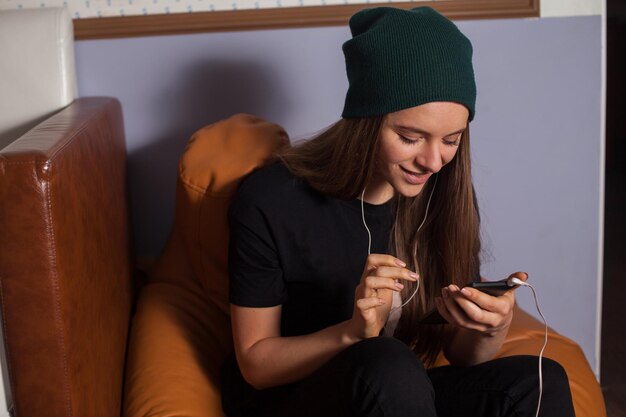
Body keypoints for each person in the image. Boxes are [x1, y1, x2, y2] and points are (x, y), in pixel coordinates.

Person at [220, 6, 575, 417]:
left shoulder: (442, 193)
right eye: (410, 137)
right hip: (294, 400)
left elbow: (462, 358)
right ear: (365, 121)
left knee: (537, 382)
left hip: (396, 394)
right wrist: (353, 334)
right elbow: (255, 365)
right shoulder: (272, 198)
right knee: (388, 362)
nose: (433, 161)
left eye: (452, 140)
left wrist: (490, 328)